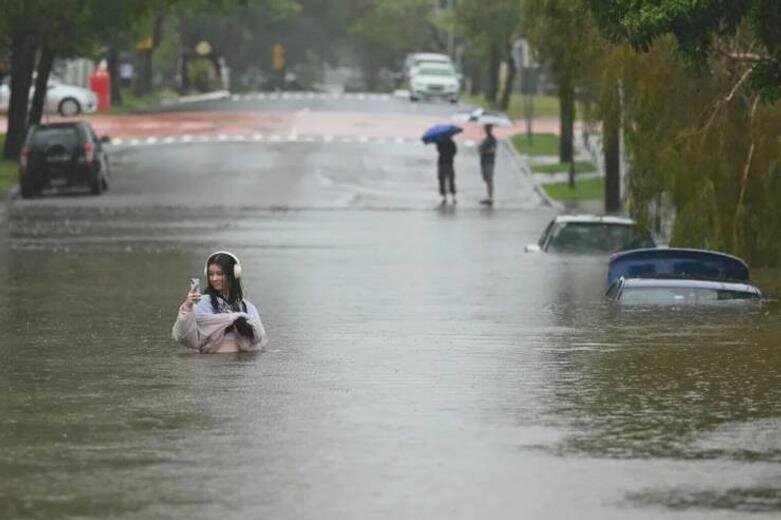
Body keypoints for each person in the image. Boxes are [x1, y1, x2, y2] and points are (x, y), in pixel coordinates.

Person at [172, 251, 269, 353]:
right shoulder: (201, 303)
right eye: (211, 274)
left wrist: (243, 324)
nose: (214, 279)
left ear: (233, 274)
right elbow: (185, 337)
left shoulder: (248, 307)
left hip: (240, 366)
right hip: (209, 365)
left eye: (219, 274)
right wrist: (187, 307)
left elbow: (259, 341)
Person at [478, 124, 497, 206]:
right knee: (486, 179)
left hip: (489, 162)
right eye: (485, 128)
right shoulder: (486, 139)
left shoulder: (492, 139)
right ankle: (488, 196)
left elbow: (493, 151)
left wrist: (483, 151)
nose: (486, 130)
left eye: (487, 128)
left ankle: (490, 198)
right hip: (484, 161)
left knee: (489, 179)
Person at [436, 134, 457, 205]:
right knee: (450, 180)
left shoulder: (440, 141)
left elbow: (438, 150)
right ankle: (453, 197)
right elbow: (454, 152)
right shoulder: (451, 142)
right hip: (449, 163)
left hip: (443, 162)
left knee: (443, 180)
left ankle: (445, 197)